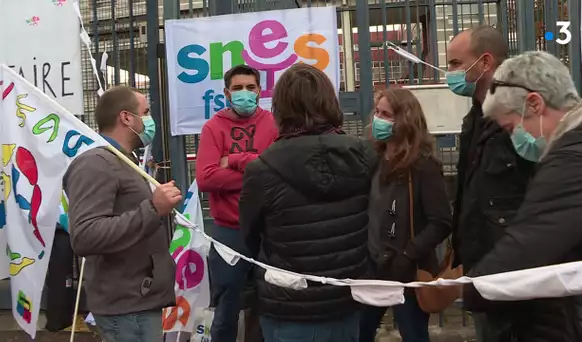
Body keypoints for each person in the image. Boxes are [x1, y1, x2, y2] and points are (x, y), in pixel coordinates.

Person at [465, 50, 582, 342]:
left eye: (511, 127)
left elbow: (526, 248)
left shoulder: (577, 160)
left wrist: (473, 289)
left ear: (534, 103)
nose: (514, 139)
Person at [239, 63, 377, 342]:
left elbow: (250, 239)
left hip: (289, 305)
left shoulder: (261, 169)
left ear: (280, 108)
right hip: (346, 298)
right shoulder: (364, 155)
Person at [64, 86, 181, 342]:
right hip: (126, 308)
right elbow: (84, 236)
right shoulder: (96, 164)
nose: (151, 121)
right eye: (146, 112)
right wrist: (153, 208)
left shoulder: (123, 160)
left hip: (138, 301)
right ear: (126, 117)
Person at [445, 25, 536, 341]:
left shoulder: (524, 117)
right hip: (482, 268)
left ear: (484, 62)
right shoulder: (474, 118)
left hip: (516, 275)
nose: (450, 73)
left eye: (455, 64)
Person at [358, 88, 452, 342]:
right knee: (359, 333)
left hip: (406, 270)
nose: (378, 119)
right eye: (377, 112)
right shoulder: (374, 158)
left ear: (404, 120)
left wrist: (409, 253)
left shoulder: (423, 166)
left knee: (413, 335)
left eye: (386, 114)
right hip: (373, 267)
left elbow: (441, 222)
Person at [195, 64, 277, 341]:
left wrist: (234, 160)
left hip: (269, 230)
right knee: (227, 307)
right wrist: (258, 167)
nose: (245, 93)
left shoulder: (273, 124)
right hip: (228, 232)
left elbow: (277, 172)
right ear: (227, 93)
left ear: (260, 91)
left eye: (250, 88)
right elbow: (206, 178)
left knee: (270, 303)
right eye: (238, 88)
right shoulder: (213, 127)